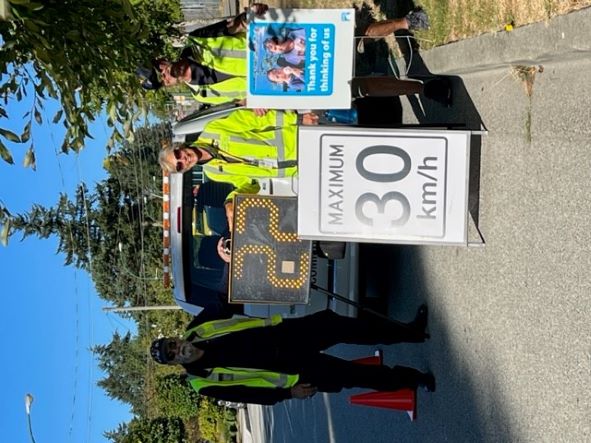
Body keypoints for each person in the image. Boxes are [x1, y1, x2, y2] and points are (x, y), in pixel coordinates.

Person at [150, 306, 435, 405]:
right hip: (291, 370)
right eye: (172, 355)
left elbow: (225, 300)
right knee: (354, 375)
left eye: (172, 344)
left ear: (174, 338)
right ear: (175, 363)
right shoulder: (202, 383)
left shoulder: (198, 328)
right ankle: (413, 379)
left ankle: (410, 331)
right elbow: (248, 394)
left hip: (286, 334)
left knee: (351, 328)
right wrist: (288, 394)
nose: (178, 349)